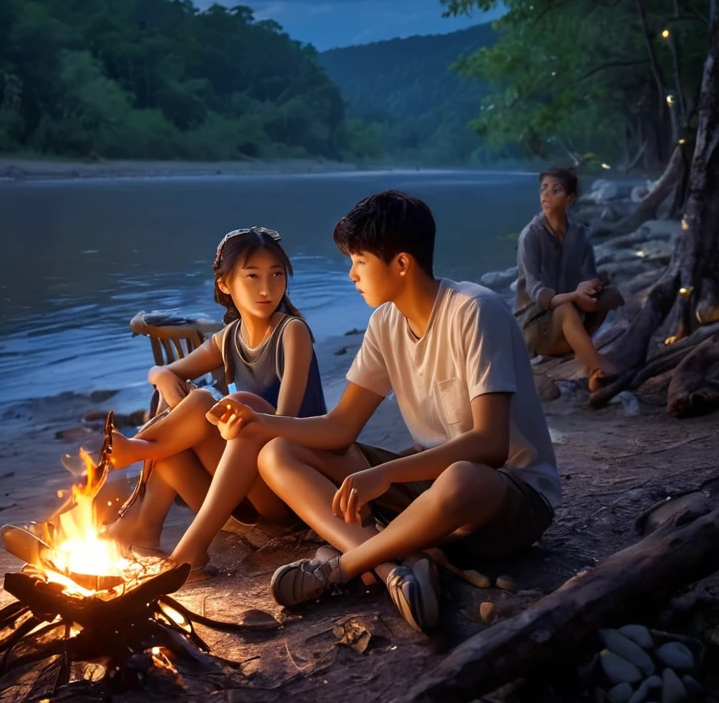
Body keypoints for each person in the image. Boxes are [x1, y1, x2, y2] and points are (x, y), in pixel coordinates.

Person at [206, 190, 560, 636]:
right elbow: (341, 427)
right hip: (427, 489)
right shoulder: (385, 322)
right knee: (277, 452)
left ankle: (344, 567)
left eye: (359, 261)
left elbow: (491, 445)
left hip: (508, 498)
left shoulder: (474, 311)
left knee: (461, 477)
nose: (351, 274)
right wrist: (260, 424)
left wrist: (387, 476)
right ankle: (400, 564)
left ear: (402, 264)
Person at [103, 226, 326, 572]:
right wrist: (162, 376)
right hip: (243, 493)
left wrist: (217, 410)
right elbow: (164, 372)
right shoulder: (228, 339)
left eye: (276, 275)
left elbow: (287, 424)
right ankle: (143, 530)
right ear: (225, 284)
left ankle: (139, 454)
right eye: (252, 276)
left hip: (289, 483)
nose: (266, 288)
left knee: (208, 404)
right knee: (174, 440)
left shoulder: (291, 332)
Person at [515, 168, 624, 390]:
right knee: (565, 308)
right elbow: (536, 291)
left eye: (556, 190)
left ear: (569, 199)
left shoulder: (580, 235)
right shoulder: (531, 236)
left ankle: (581, 352)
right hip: (536, 326)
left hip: (570, 315)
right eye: (543, 188)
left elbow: (589, 275)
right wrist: (574, 295)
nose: (546, 195)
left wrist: (590, 288)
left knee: (610, 296)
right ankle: (595, 365)